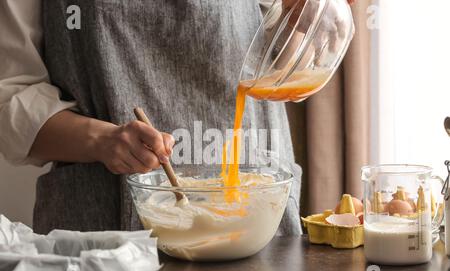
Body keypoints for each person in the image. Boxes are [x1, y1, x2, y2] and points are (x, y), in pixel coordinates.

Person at [0, 0, 354, 235]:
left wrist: (303, 19)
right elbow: (11, 97)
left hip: (257, 217)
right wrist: (103, 141)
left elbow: (280, 44)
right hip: (106, 230)